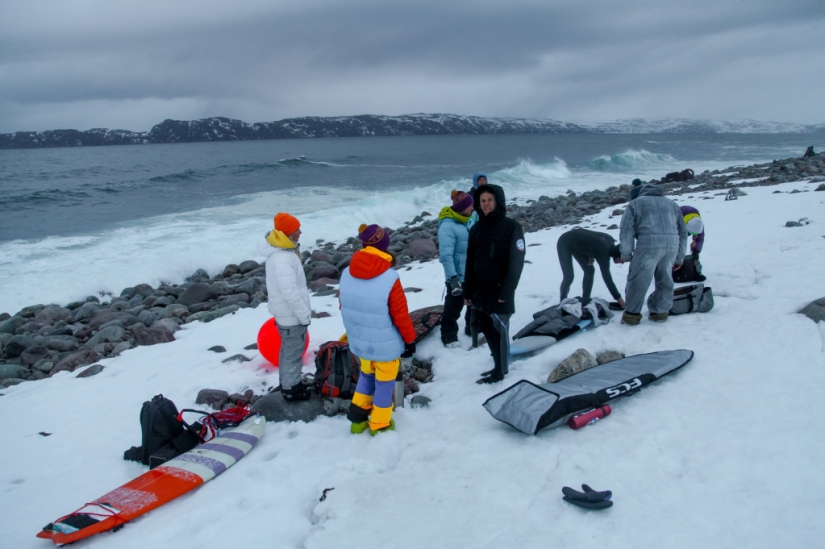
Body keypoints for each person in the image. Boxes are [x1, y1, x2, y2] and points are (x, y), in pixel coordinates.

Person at [340, 224, 416, 435]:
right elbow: (400, 315)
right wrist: (410, 340)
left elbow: (344, 306)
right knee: (384, 383)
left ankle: (357, 420)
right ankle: (380, 425)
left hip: (361, 340)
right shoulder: (390, 277)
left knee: (366, 376)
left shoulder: (347, 272)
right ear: (384, 246)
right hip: (385, 344)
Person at [464, 185, 525, 384]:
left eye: (489, 200)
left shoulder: (511, 227)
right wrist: (468, 290)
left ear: (497, 201)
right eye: (482, 201)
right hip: (480, 289)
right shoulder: (476, 229)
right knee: (485, 326)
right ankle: (497, 366)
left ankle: (501, 371)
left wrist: (507, 291)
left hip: (500, 290)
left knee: (499, 330)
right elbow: (470, 262)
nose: (486, 204)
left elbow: (516, 262)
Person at [258, 212, 312, 401]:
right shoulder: (282, 258)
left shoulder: (283, 253)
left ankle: (288, 383)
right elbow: (290, 292)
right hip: (291, 315)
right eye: (297, 229)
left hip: (286, 313)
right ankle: (291, 390)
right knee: (293, 352)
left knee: (288, 350)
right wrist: (304, 315)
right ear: (288, 232)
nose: (300, 232)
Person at [618, 185, 688, 325]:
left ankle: (632, 315)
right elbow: (682, 232)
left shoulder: (636, 203)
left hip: (648, 243)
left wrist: (626, 254)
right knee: (665, 279)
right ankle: (660, 312)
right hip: (671, 245)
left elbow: (626, 230)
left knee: (639, 280)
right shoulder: (672, 204)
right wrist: (680, 257)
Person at [437, 190, 475, 347]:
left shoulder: (467, 220)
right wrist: (453, 279)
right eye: (470, 206)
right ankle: (448, 335)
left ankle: (471, 328)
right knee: (454, 306)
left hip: (472, 272)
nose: (473, 208)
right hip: (457, 276)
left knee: (474, 303)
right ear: (463, 207)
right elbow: (446, 256)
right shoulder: (447, 227)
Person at [556, 228, 625, 308]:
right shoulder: (604, 253)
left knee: (590, 270)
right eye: (622, 260)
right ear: (618, 256)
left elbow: (591, 240)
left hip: (578, 244)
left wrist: (589, 253)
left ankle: (585, 300)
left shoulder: (610, 240)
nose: (622, 262)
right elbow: (607, 279)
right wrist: (619, 299)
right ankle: (562, 302)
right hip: (565, 242)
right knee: (569, 276)